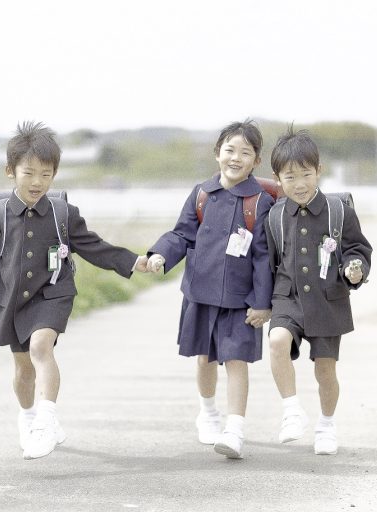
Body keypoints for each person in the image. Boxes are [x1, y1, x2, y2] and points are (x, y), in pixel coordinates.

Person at [0, 121, 148, 460]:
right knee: (22, 369)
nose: (37, 182)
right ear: (10, 171)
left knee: (40, 347)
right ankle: (29, 418)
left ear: (55, 174)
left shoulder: (63, 213)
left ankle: (47, 421)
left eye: (46, 175)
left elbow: (94, 246)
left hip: (53, 293)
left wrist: (131, 261)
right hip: (11, 299)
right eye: (29, 173)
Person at [147, 120, 274, 459]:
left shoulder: (260, 201)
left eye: (245, 153)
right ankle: (208, 412)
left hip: (240, 299)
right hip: (199, 292)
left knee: (236, 360)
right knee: (204, 358)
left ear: (256, 161)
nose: (236, 158)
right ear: (217, 153)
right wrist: (160, 254)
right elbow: (182, 234)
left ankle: (235, 430)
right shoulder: (201, 194)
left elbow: (264, 256)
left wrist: (262, 303)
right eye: (230, 150)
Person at [265, 127, 372, 455]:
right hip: (289, 297)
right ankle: (291, 409)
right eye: (290, 176)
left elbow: (358, 249)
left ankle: (326, 424)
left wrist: (354, 269)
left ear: (319, 172)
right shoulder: (275, 216)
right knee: (277, 341)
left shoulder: (340, 211)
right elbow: (269, 262)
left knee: (325, 369)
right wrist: (259, 304)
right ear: (278, 178)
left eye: (306, 174)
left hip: (328, 299)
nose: (299, 184)